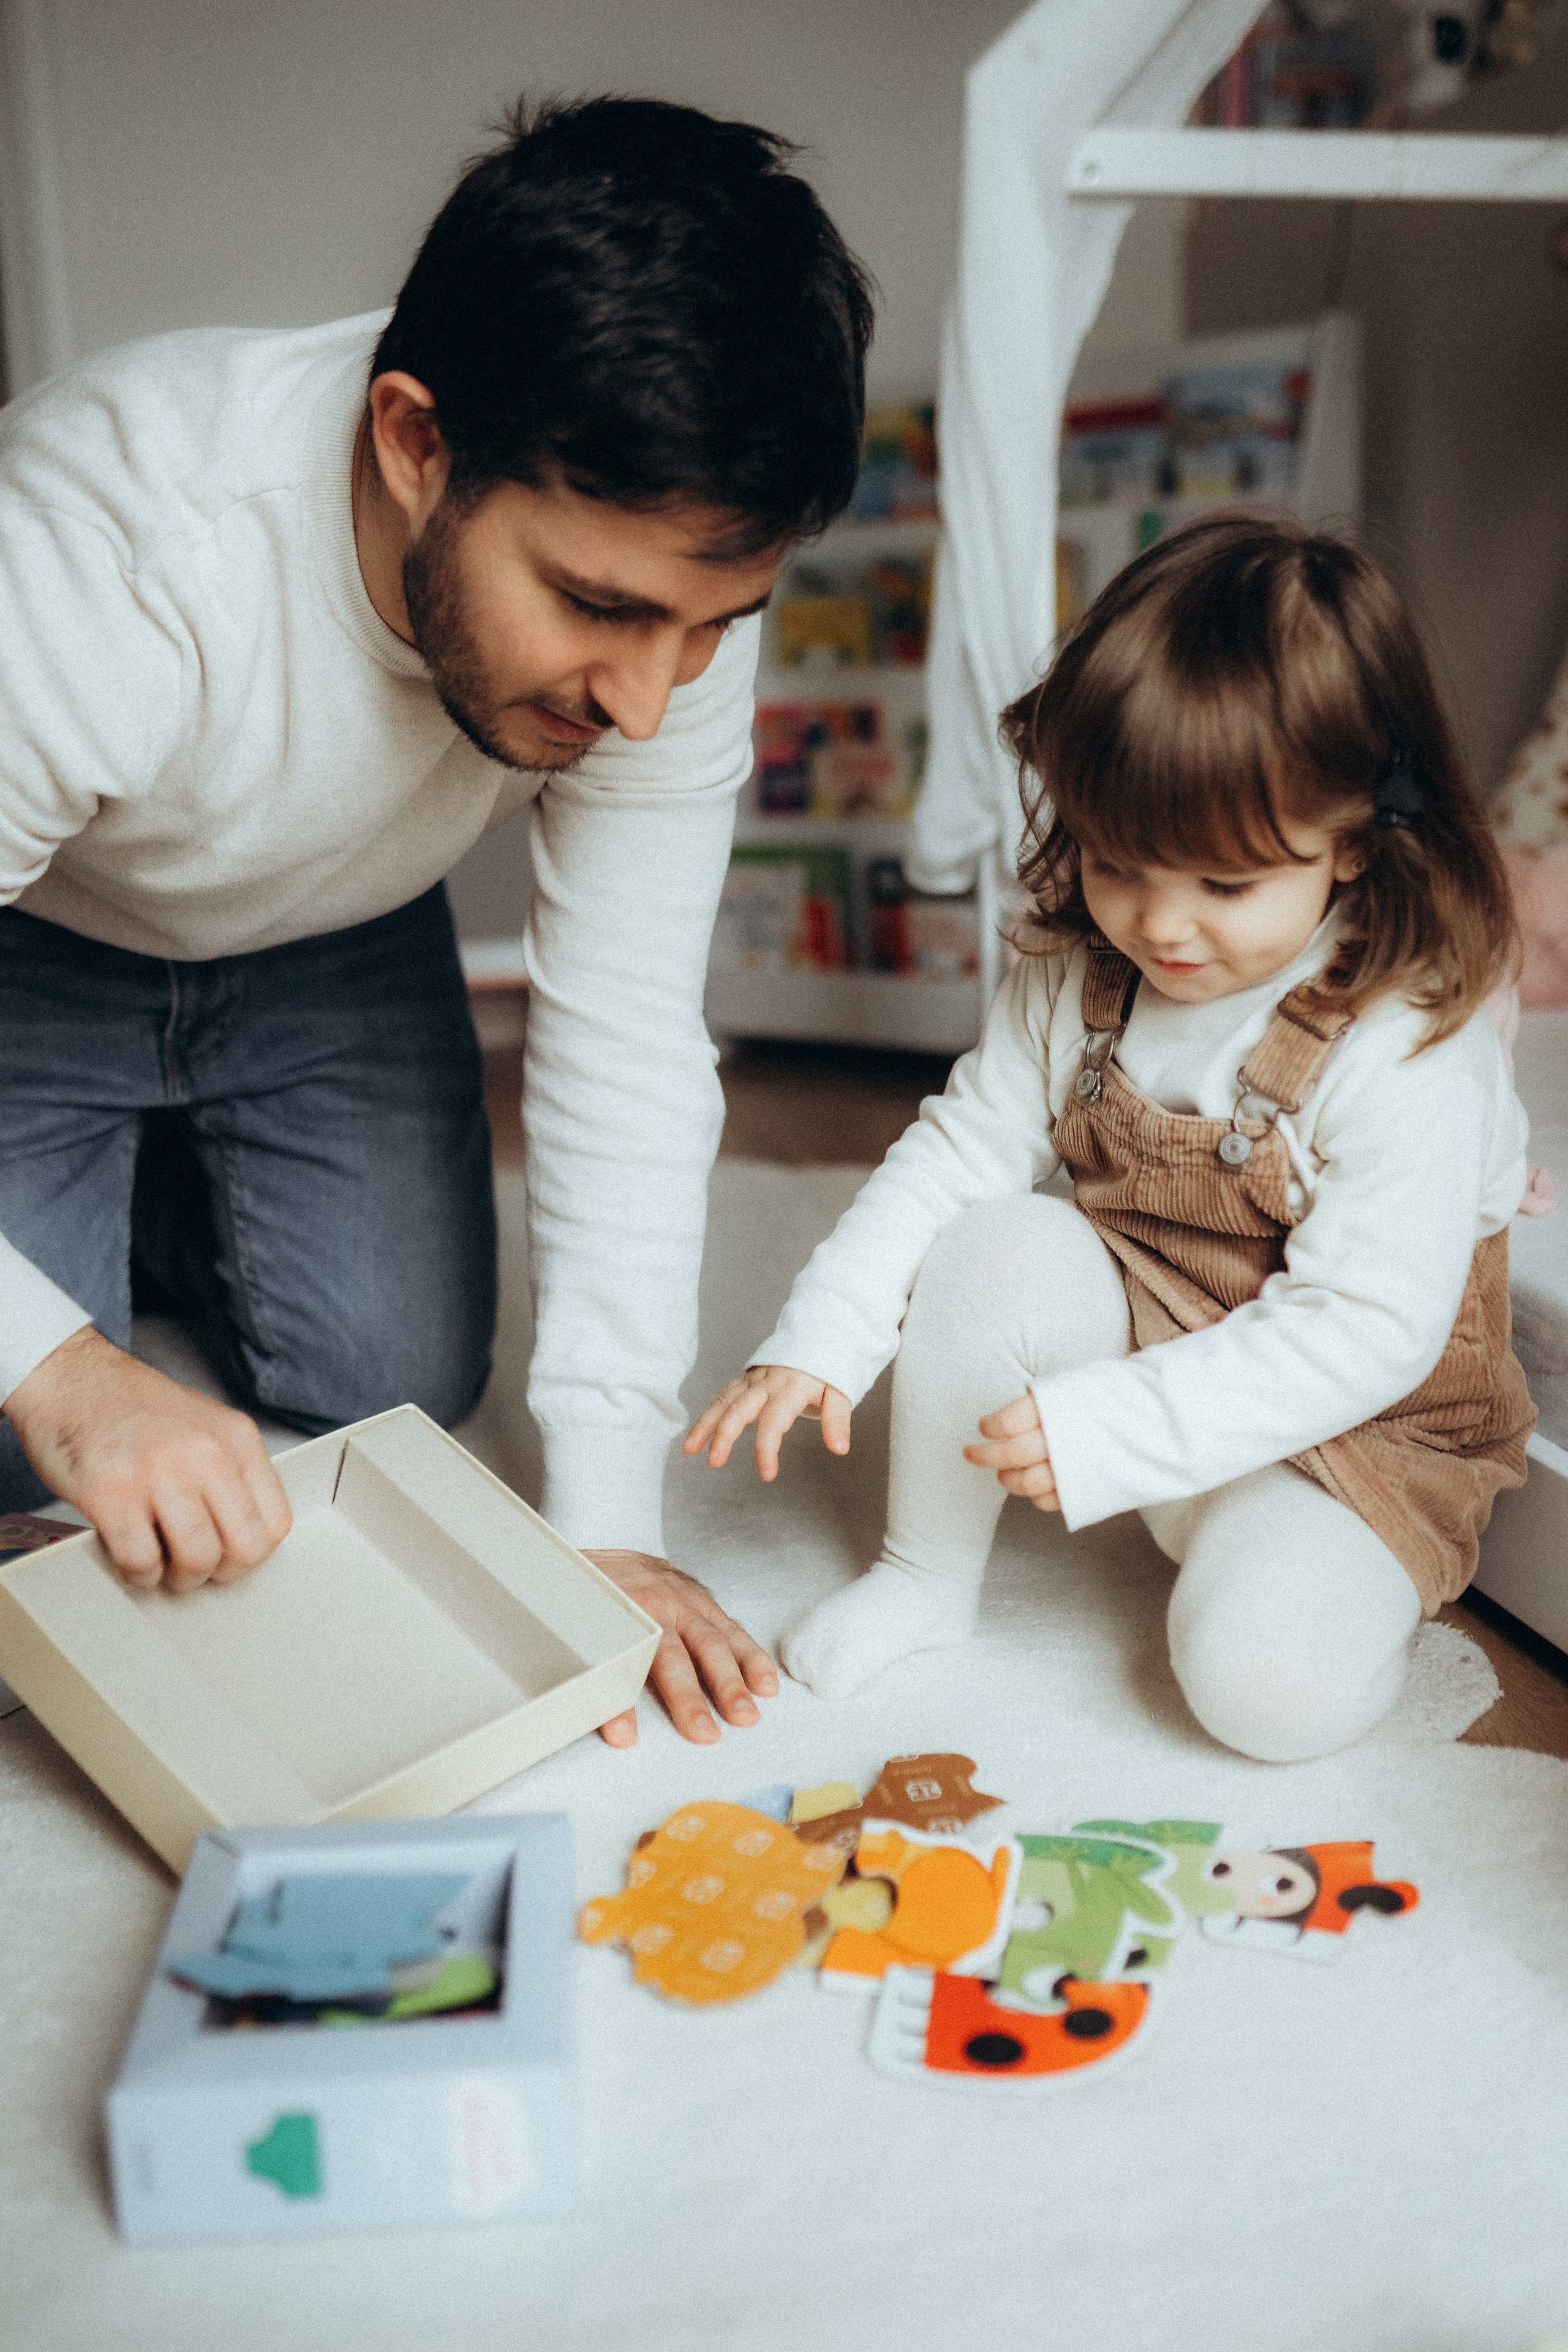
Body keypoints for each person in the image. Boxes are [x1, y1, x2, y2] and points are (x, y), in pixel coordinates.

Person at [0, 96, 874, 1747]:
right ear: (416, 444)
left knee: (398, 1388)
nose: (645, 698)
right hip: (38, 945)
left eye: (708, 627)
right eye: (598, 608)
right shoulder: (102, 550)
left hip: (335, 938)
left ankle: (158, 1186)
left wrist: (606, 1515)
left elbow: (622, 1024)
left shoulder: (672, 598)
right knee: (21, 1439)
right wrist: (69, 1374)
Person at [687, 517, 1536, 1763]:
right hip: (1157, 1332)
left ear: (1350, 839)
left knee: (1260, 1694)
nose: (1161, 926)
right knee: (991, 1240)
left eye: (1224, 885)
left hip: (1356, 1436)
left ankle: (1340, 1580)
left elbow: (1365, 1332)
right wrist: (820, 1337)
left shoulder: (1402, 1039)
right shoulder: (1079, 968)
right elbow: (955, 1152)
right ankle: (924, 1578)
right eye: (1118, 862)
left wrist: (1114, 1431)